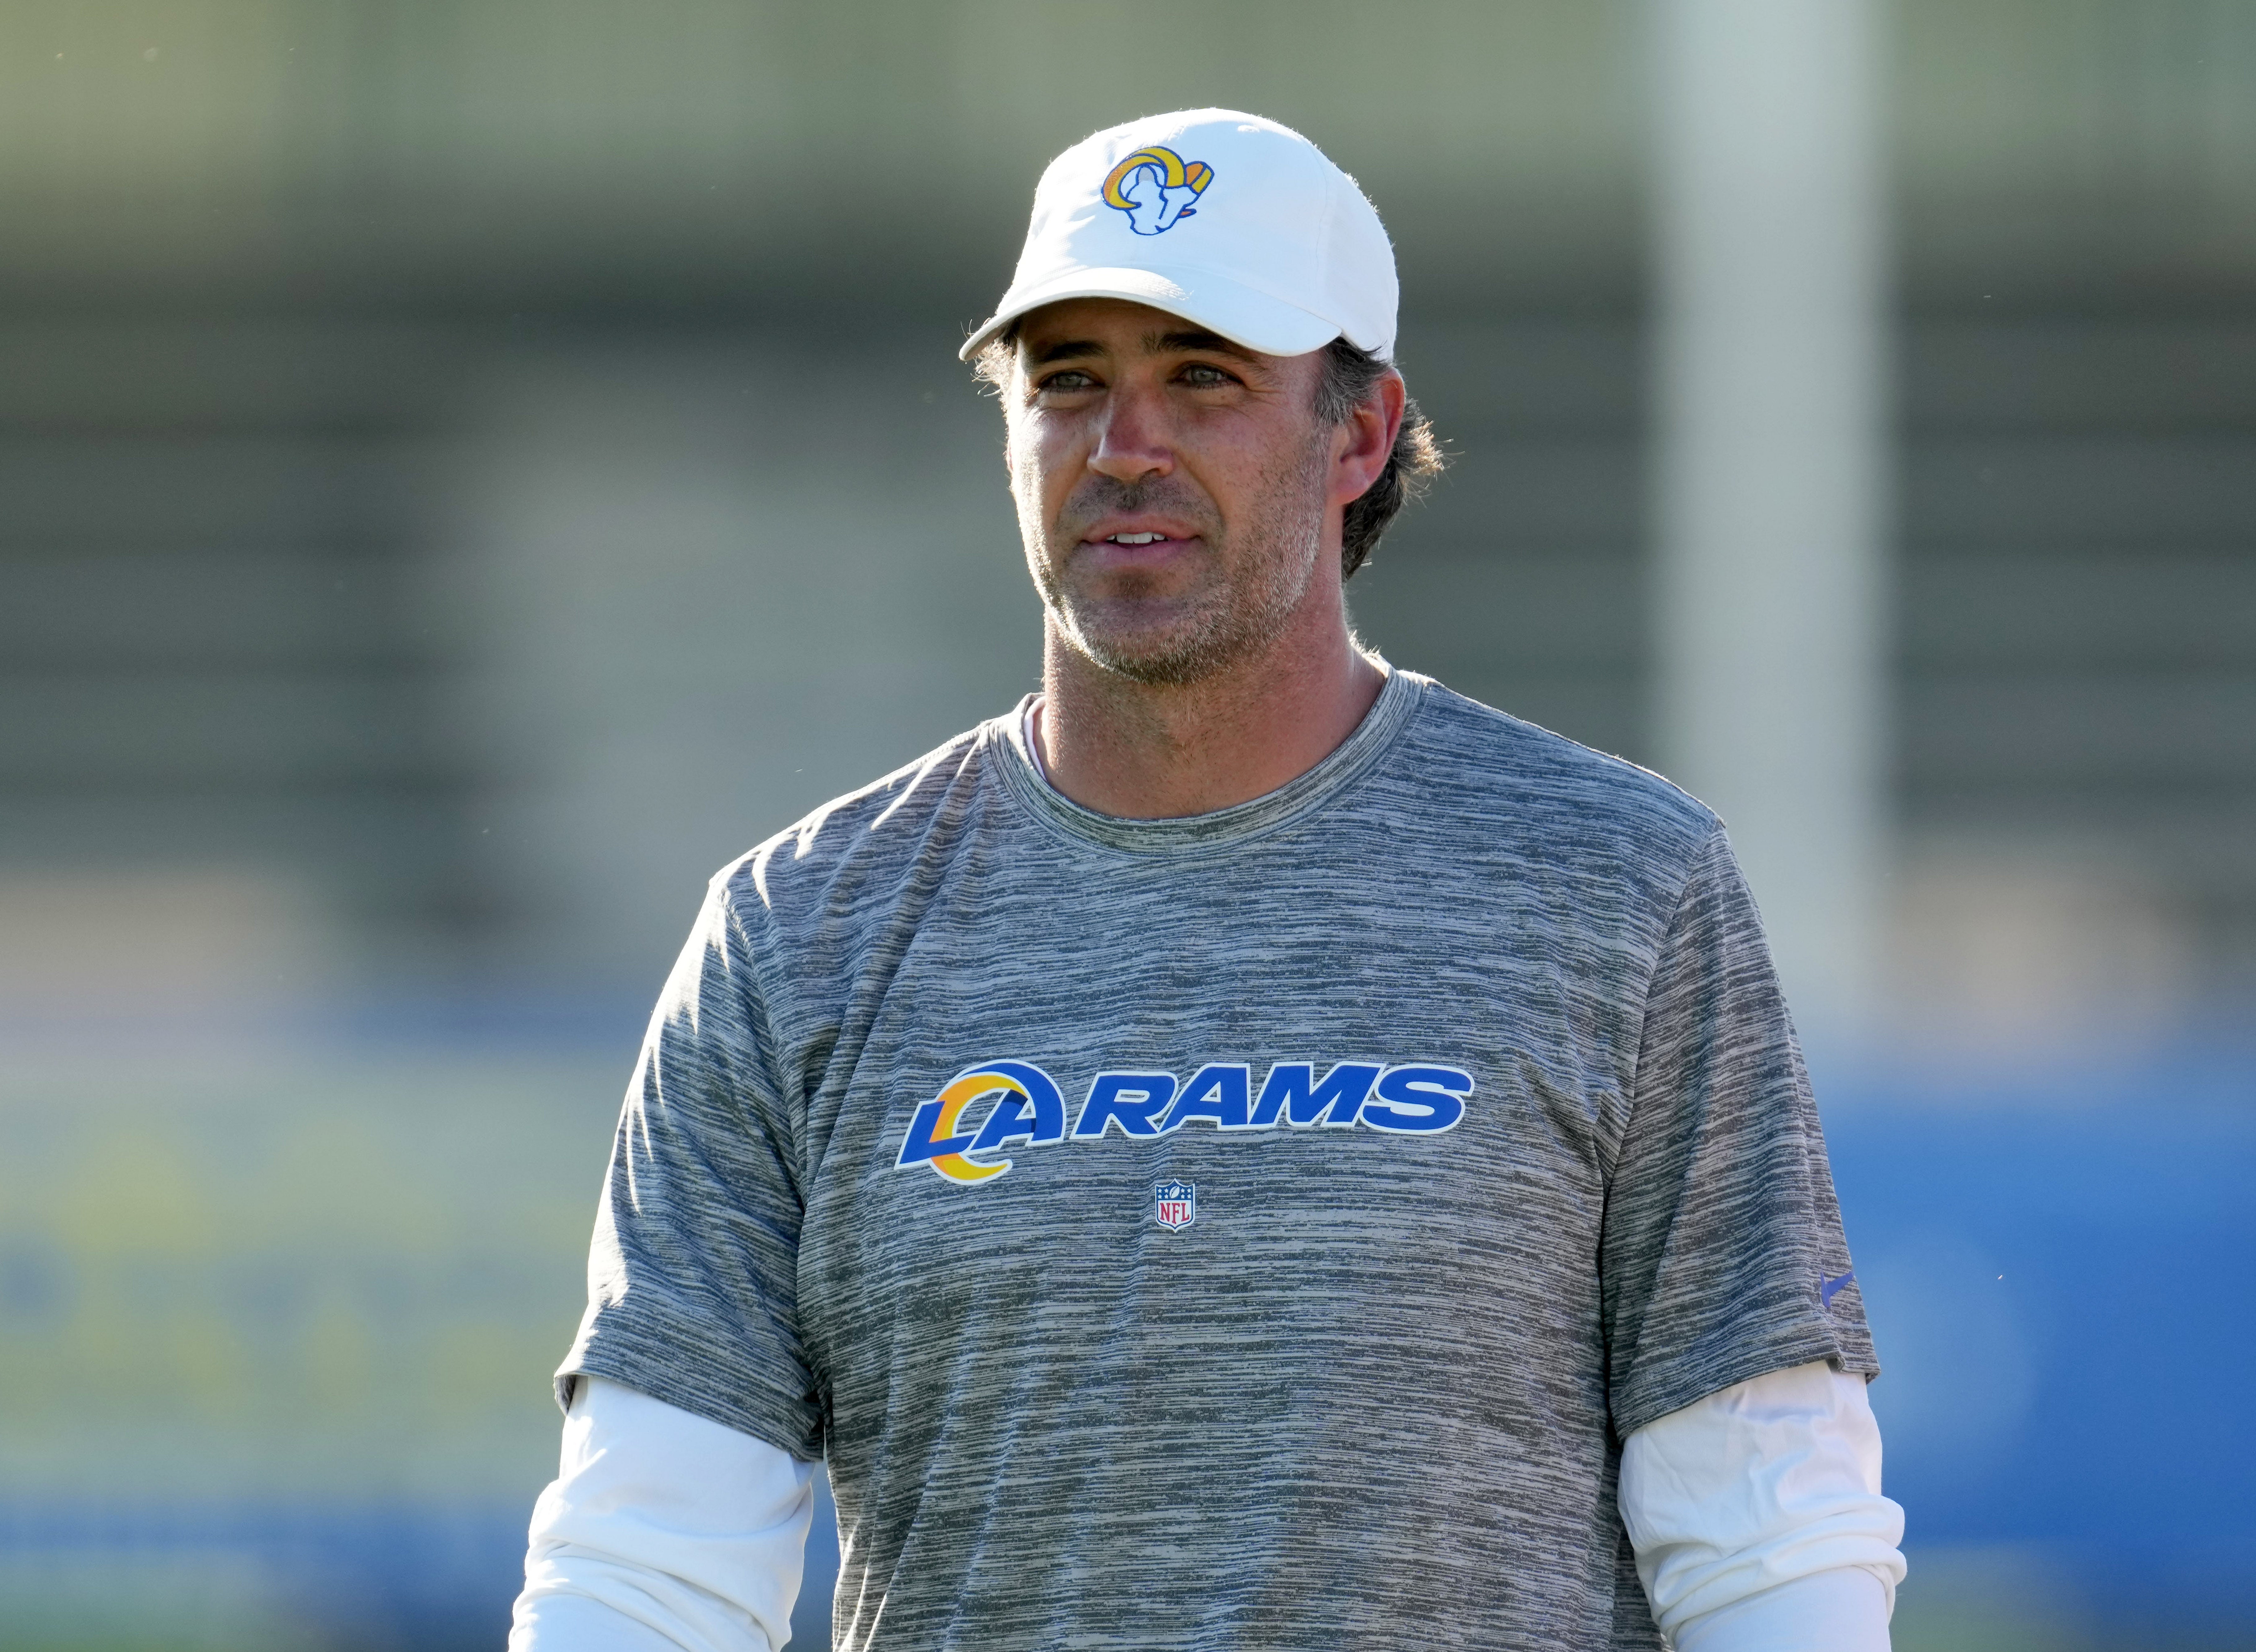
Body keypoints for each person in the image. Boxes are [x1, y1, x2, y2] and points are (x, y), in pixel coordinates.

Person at [509, 108, 1904, 1652]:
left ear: (1360, 434)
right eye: (1069, 381)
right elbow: (648, 1562)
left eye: (1204, 375)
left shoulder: (1620, 886)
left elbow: (1771, 1527)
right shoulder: (797, 932)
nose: (1125, 446)